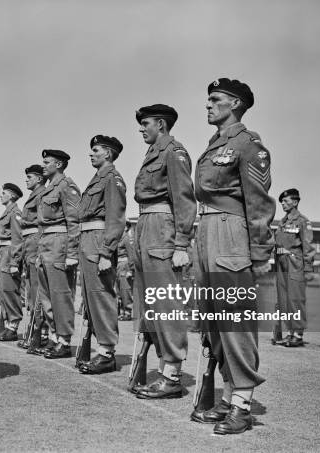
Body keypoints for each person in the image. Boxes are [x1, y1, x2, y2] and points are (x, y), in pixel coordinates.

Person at [191, 78, 275, 434]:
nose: (207, 105)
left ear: (235, 104)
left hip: (231, 233)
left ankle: (242, 403)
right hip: (208, 231)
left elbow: (259, 203)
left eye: (215, 99)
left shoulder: (248, 145)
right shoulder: (216, 145)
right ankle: (228, 395)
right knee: (213, 319)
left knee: (234, 317)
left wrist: (259, 253)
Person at [131, 104, 197, 398]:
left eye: (145, 123)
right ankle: (162, 367)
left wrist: (182, 243)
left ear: (161, 123)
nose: (141, 128)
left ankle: (172, 374)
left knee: (166, 303)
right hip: (145, 224)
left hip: (162, 227)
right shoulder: (153, 152)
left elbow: (184, 198)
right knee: (150, 303)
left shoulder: (174, 151)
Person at [77, 135, 126, 374]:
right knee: (90, 297)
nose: (91, 154)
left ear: (107, 153)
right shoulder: (98, 178)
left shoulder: (111, 179)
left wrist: (107, 252)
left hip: (99, 242)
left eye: (95, 150)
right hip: (88, 240)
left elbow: (116, 219)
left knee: (102, 296)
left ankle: (107, 352)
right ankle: (100, 347)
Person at [34, 149, 81, 359]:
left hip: (60, 245)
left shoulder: (66, 186)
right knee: (46, 296)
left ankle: (64, 340)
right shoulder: (46, 189)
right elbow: (42, 225)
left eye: (47, 162)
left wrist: (72, 253)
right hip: (45, 244)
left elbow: (74, 221)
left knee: (61, 295)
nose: (43, 166)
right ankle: (54, 337)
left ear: (59, 164)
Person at [273, 188, 315, 347]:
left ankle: (298, 334)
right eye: (281, 202)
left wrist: (308, 268)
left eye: (286, 201)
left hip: (295, 262)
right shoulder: (282, 222)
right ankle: (290, 332)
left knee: (295, 299)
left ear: (295, 202)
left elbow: (308, 247)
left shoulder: (303, 221)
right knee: (284, 300)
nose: (283, 203)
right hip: (281, 262)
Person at [17, 165, 47, 351]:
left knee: (38, 292)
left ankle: (40, 332)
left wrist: (40, 251)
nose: (26, 180)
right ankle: (35, 331)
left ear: (38, 178)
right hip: (29, 244)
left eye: (30, 177)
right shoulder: (34, 195)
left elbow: (44, 222)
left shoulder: (42, 194)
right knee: (31, 291)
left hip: (36, 243)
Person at [0, 183, 24, 342]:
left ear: (11, 196)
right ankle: (7, 324)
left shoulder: (15, 213)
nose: (1, 195)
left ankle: (13, 326)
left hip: (10, 254)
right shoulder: (7, 212)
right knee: (3, 290)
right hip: (3, 253)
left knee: (10, 290)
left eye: (3, 193)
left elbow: (18, 239)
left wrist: (14, 262)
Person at [116, 221, 135, 321]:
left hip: (124, 265)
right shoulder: (116, 238)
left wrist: (131, 270)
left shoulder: (126, 238)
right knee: (118, 290)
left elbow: (131, 254)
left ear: (126, 228)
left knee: (125, 289)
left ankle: (127, 311)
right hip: (117, 265)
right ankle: (121, 312)